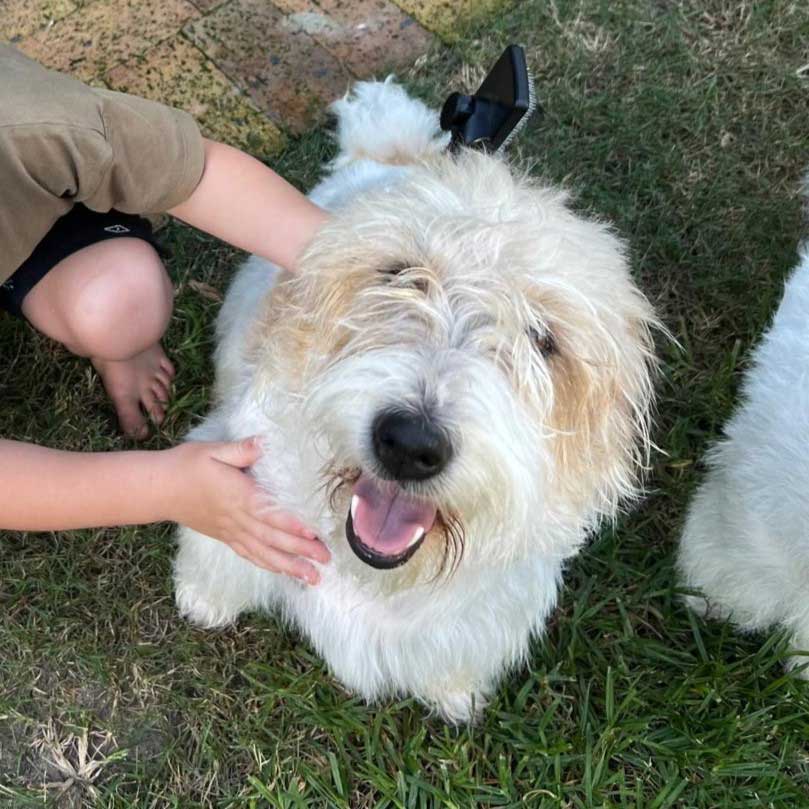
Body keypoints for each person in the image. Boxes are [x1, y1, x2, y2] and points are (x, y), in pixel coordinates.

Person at [0, 44, 331, 584]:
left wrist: (358, 264)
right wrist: (166, 486)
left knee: (121, 302)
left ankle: (120, 345)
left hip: (24, 211)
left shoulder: (25, 122)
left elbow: (195, 175)